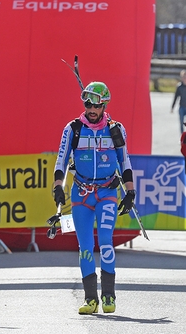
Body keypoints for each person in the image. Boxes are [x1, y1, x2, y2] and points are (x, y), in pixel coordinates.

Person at [53, 82, 136, 315]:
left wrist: (130, 191)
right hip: (80, 194)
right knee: (85, 247)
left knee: (106, 243)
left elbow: (125, 162)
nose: (91, 108)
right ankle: (91, 299)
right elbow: (61, 160)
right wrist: (58, 186)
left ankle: (109, 295)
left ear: (104, 104)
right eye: (87, 103)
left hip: (107, 192)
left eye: (95, 104)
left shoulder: (116, 129)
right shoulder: (73, 128)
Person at [171, 70, 186, 134]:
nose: (185, 79)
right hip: (182, 107)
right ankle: (182, 137)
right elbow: (176, 97)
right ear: (182, 78)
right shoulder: (179, 87)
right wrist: (172, 107)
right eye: (184, 77)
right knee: (181, 123)